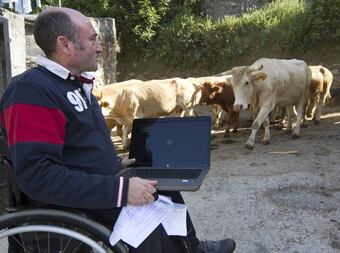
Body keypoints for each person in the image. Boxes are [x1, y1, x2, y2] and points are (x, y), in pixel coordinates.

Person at [0, 7, 235, 253]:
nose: (100, 48)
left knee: (162, 182)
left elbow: (78, 149)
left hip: (100, 183)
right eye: (92, 39)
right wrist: (121, 191)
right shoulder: (31, 91)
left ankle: (190, 246)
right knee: (148, 212)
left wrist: (117, 164)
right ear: (65, 45)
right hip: (71, 206)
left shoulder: (72, 84)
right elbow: (37, 176)